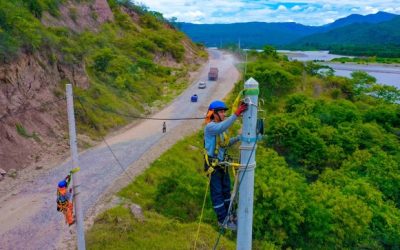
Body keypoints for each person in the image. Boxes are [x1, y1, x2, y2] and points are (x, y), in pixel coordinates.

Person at [204, 100, 248, 230]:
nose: (224, 114)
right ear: (214, 114)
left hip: (222, 164)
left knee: (226, 191)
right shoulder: (210, 127)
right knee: (217, 193)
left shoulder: (220, 131)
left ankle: (230, 216)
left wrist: (239, 138)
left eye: (224, 112)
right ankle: (222, 220)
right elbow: (223, 126)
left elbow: (225, 144)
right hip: (213, 165)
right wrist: (236, 114)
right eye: (221, 112)